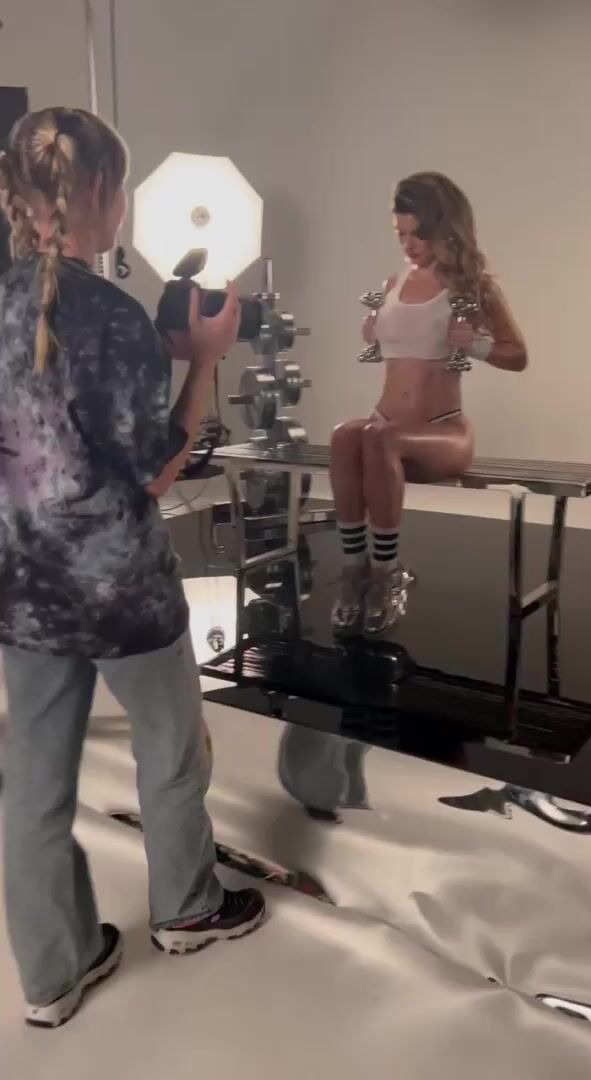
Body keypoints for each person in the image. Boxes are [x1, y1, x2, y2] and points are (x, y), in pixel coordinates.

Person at [0, 106, 268, 1030]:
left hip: (23, 590)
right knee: (170, 749)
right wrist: (204, 361)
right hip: (121, 591)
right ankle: (187, 909)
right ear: (100, 191)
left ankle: (52, 975)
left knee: (33, 787)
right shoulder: (110, 315)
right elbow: (158, 467)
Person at [328, 173, 529, 636]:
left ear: (444, 227)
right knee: (344, 435)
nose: (409, 244)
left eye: (418, 233)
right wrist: (375, 334)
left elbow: (518, 356)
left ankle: (387, 573)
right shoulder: (392, 284)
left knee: (378, 436)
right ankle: (355, 570)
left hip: (443, 432)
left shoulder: (473, 287)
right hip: (384, 430)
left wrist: (475, 345)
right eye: (400, 234)